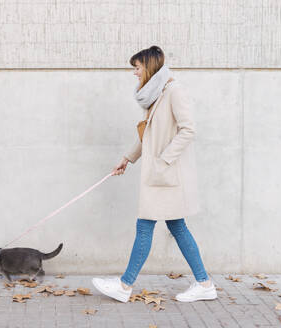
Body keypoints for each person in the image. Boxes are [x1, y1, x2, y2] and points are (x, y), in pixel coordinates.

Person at [91, 46, 217, 303]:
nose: (134, 73)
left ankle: (125, 286)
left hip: (166, 176)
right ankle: (204, 283)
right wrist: (127, 159)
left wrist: (163, 160)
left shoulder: (174, 92)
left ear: (149, 67)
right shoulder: (158, 94)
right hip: (160, 176)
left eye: (136, 68)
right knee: (177, 226)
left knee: (146, 225)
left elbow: (188, 130)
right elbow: (147, 135)